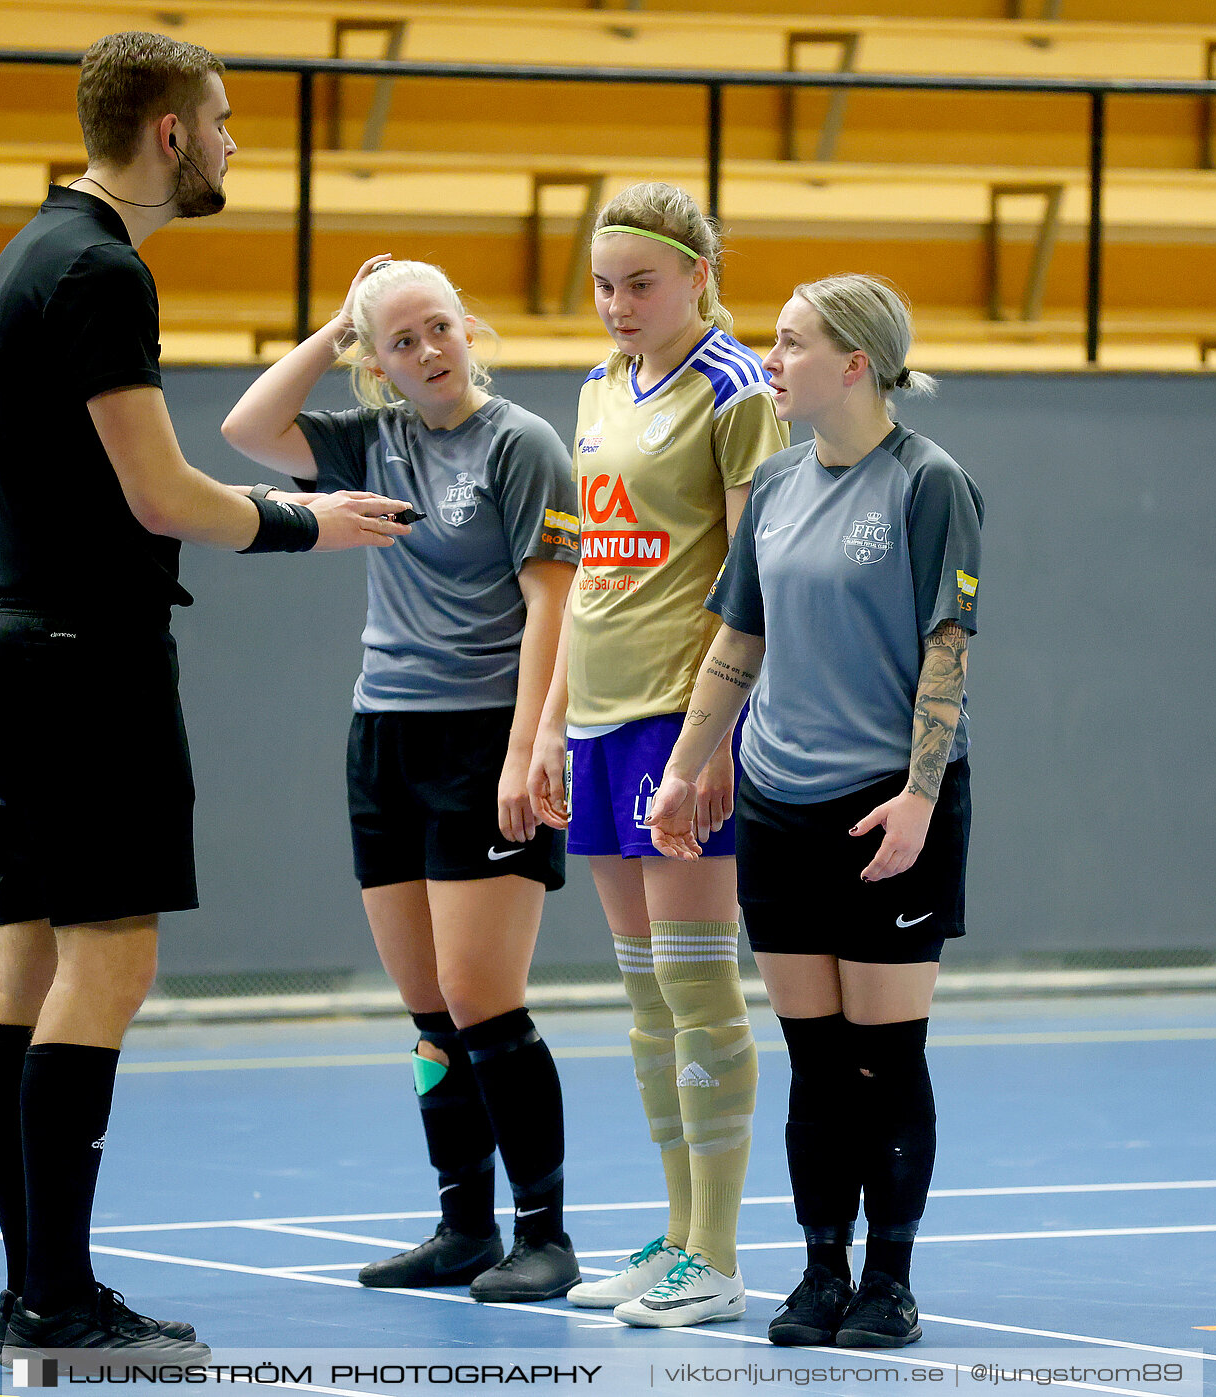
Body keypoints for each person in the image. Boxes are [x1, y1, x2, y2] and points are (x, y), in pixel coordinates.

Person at [0, 32, 414, 1367]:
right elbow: (160, 493)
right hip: (90, 655)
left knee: (28, 965)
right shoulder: (103, 270)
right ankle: (54, 1299)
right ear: (167, 133)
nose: (232, 143)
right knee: (111, 961)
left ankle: (37, 1288)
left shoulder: (27, 254)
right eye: (221, 122)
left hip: (20, 644)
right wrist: (303, 521)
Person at [221, 255, 583, 1301]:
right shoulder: (368, 437)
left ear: (470, 327)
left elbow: (551, 608)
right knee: (428, 1005)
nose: (427, 353)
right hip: (384, 734)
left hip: (484, 737)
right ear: (375, 362)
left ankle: (545, 1230)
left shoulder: (521, 444)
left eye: (439, 328)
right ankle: (463, 1222)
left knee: (483, 999)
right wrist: (338, 322)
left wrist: (527, 749)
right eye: (401, 341)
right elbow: (248, 429)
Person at [645, 274, 981, 1349]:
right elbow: (737, 642)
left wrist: (920, 799)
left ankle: (890, 1278)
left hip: (886, 806)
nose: (769, 359)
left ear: (854, 363)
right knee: (815, 1053)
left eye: (789, 344)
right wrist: (688, 767)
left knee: (887, 1058)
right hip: (779, 804)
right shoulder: (779, 481)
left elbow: (948, 648)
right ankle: (820, 1270)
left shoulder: (930, 484)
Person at [526, 182, 787, 1328]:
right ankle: (676, 1233)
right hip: (601, 722)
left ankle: (720, 1255)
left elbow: (752, 572)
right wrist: (547, 725)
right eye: (602, 283)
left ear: (697, 276)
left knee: (698, 986)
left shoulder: (734, 391)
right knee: (643, 1000)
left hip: (683, 726)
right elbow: (590, 572)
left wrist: (715, 734)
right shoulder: (594, 389)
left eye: (639, 282)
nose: (617, 303)